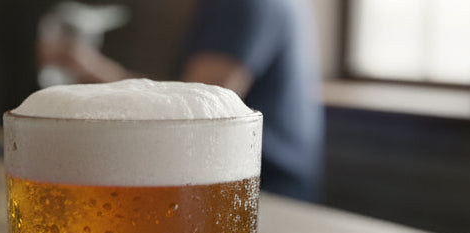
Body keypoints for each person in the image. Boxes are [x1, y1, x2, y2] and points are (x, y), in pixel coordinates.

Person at [37, 0, 323, 201]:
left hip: (262, 191)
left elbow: (196, 112)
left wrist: (88, 67)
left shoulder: (238, 4)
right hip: (250, 180)